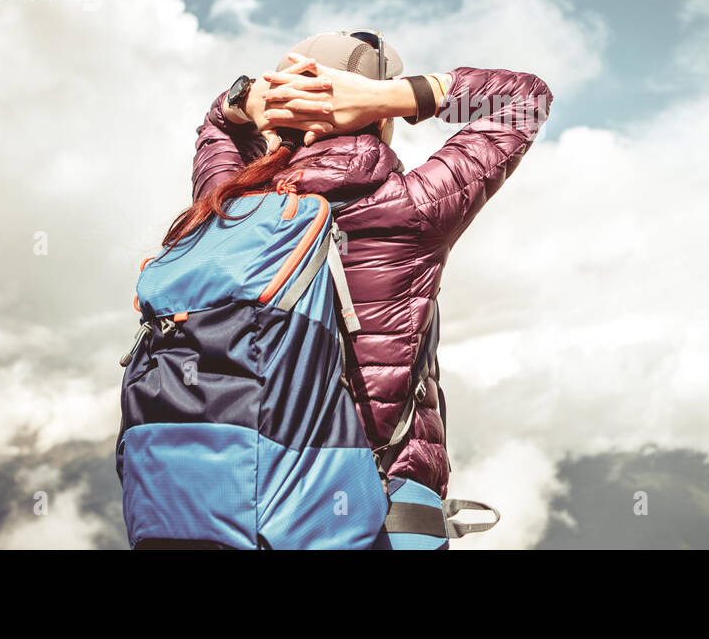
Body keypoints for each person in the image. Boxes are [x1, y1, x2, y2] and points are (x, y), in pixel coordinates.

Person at [177, 30, 551, 547]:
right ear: (377, 116)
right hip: (373, 511)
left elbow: (217, 123)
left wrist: (243, 98)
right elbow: (524, 100)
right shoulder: (410, 206)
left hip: (228, 505)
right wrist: (384, 95)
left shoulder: (222, 205)